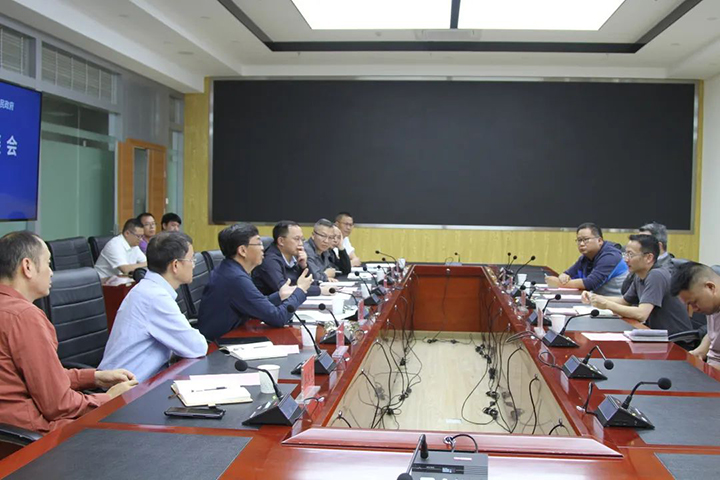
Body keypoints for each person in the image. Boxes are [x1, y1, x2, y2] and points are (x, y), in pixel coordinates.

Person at [0, 231, 137, 434]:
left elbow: (41, 377)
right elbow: (58, 405)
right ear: (27, 267)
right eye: (48, 264)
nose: (51, 272)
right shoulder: (24, 316)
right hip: (35, 437)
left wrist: (95, 377)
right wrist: (109, 398)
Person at [99, 232, 208, 382]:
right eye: (191, 259)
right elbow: (197, 347)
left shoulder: (149, 289)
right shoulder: (155, 297)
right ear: (175, 265)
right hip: (127, 389)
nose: (194, 265)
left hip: (145, 380)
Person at [197, 223, 313, 340]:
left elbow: (256, 303)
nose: (263, 248)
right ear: (242, 250)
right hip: (220, 345)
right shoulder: (235, 278)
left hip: (235, 334)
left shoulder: (231, 269)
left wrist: (279, 295)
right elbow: (278, 318)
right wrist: (300, 290)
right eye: (258, 243)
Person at [582, 234, 692, 336]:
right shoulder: (639, 275)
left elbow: (641, 314)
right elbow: (624, 301)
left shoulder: (656, 275)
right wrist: (594, 297)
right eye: (625, 254)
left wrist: (606, 304)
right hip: (655, 336)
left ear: (648, 257)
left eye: (631, 254)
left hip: (676, 341)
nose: (626, 259)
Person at [252, 221, 333, 297]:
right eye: (297, 239)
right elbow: (285, 290)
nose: (301, 243)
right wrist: (319, 290)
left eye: (302, 239)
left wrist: (304, 266)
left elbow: (311, 283)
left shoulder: (294, 258)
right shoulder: (270, 261)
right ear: (281, 241)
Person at [546, 222, 628, 296]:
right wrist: (563, 276)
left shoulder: (610, 256)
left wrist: (558, 283)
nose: (581, 244)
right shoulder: (586, 257)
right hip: (598, 300)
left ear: (599, 241)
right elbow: (568, 273)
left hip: (616, 303)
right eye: (579, 240)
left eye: (586, 239)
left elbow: (590, 283)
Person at [671, 262, 720, 370]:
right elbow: (713, 333)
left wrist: (707, 369)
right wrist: (700, 351)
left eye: (694, 302)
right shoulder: (713, 305)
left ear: (710, 287)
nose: (694, 309)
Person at [621, 222, 674, 294]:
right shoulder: (639, 265)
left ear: (658, 246)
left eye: (643, 240)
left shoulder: (666, 271)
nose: (626, 259)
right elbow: (625, 291)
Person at [304, 219, 338, 283]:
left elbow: (331, 270)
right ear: (313, 235)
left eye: (330, 237)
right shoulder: (306, 250)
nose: (326, 241)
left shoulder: (325, 251)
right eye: (323, 236)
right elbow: (314, 277)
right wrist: (326, 275)